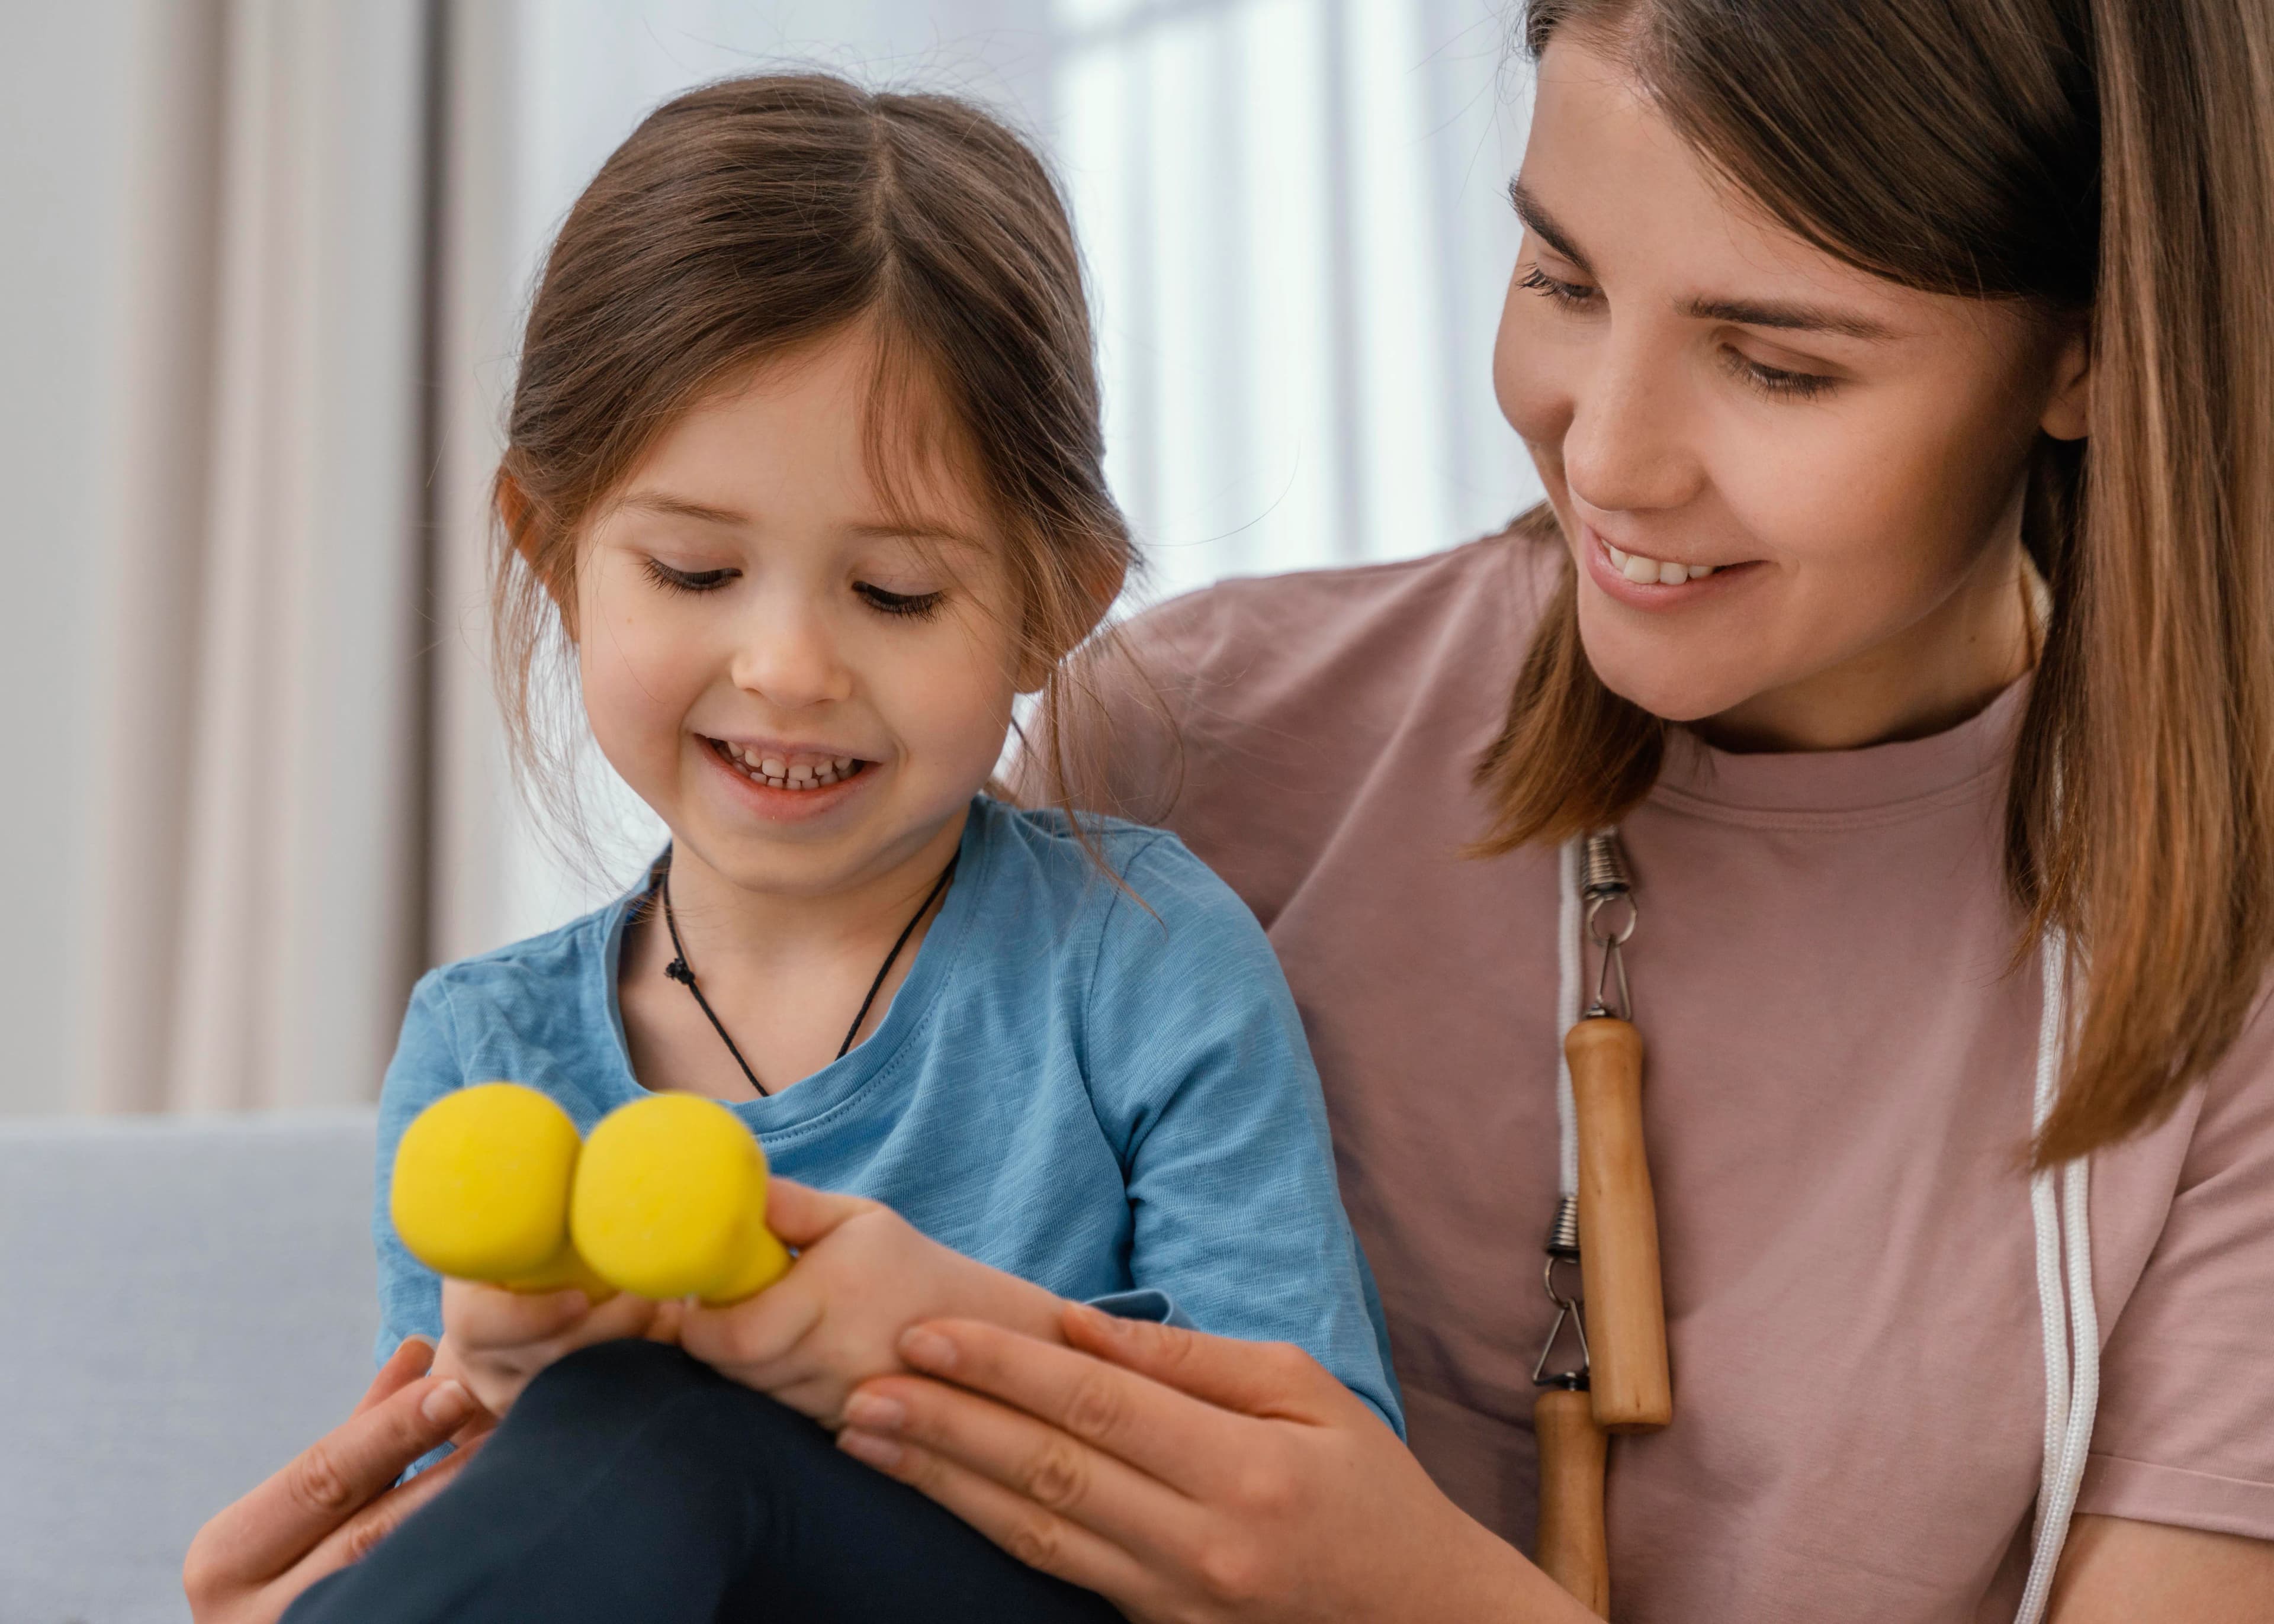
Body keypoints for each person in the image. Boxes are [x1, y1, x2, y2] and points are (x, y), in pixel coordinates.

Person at [194, 0, 2274, 1619]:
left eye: (1781, 363)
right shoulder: (1185, 743)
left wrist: (1389, 1584)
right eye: (1560, 280)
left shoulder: (2220, 994)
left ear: (2084, 355)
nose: (1612, 457)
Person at [259, 71, 1397, 1624]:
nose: (789, 666)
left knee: (646, 1424)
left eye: (896, 595)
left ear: (1051, 600)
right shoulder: (485, 1052)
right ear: (555, 551)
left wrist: (935, 1340)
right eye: (696, 568)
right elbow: (447, 1550)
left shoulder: (1133, 957)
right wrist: (494, 1382)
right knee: (600, 1428)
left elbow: (1321, 1500)